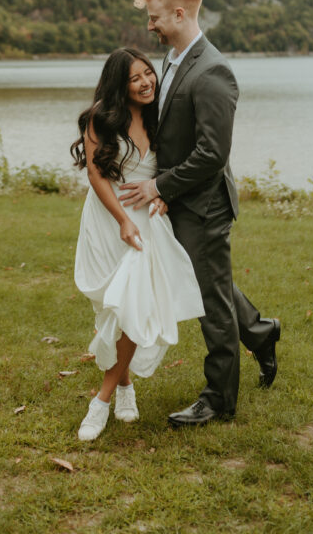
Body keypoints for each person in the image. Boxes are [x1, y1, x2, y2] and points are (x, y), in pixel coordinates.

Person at [119, 0, 281, 427]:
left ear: (179, 12)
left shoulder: (213, 71)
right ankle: (261, 333)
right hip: (180, 200)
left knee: (210, 300)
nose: (150, 26)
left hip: (204, 204)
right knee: (210, 280)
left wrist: (159, 186)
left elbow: (212, 154)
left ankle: (219, 399)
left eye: (155, 18)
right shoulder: (172, 60)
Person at [71, 47, 204, 441]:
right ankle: (126, 386)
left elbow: (174, 168)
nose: (146, 82)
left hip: (149, 225)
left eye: (149, 73)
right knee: (111, 308)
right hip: (108, 219)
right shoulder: (101, 118)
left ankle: (102, 401)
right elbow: (96, 177)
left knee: (134, 304)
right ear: (120, 84)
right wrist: (123, 220)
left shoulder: (161, 116)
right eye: (135, 78)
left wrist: (165, 194)